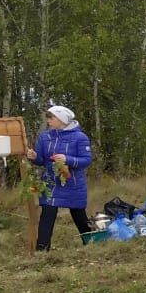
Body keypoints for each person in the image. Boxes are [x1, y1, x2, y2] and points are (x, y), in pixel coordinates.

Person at [26, 104, 94, 250]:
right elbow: (41, 160)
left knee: (79, 215)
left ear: (62, 119)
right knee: (47, 213)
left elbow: (86, 160)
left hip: (73, 184)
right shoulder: (45, 136)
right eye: (48, 118)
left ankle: (91, 243)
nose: (48, 121)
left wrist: (67, 159)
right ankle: (42, 250)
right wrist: (34, 156)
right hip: (51, 182)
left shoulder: (80, 137)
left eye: (51, 118)